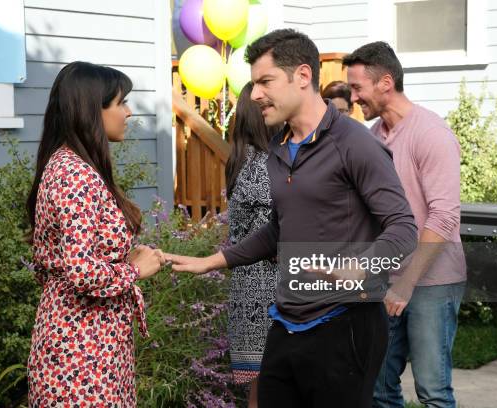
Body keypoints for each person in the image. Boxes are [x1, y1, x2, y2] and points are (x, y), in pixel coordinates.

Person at [167, 29, 417, 408]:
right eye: (253, 84)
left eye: (265, 81)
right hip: (287, 321)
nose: (254, 95)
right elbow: (279, 230)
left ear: (302, 76)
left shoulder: (355, 143)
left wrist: (363, 267)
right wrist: (212, 262)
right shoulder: (278, 148)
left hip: (346, 323)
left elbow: (403, 227)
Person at [25, 61, 165, 407]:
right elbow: (81, 271)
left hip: (91, 343)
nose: (129, 112)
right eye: (120, 103)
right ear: (92, 110)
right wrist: (135, 270)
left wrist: (122, 259)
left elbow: (65, 261)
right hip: (81, 352)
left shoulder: (71, 165)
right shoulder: (76, 175)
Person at [343, 42, 467, 408]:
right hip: (386, 279)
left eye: (357, 87)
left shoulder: (431, 134)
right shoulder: (372, 138)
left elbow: (444, 216)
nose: (353, 97)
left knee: (433, 392)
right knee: (379, 386)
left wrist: (407, 283)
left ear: (385, 83)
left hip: (432, 280)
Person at [225, 82, 280, 407]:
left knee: (261, 384)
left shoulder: (242, 157)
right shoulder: (261, 164)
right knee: (268, 383)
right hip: (264, 284)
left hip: (250, 281)